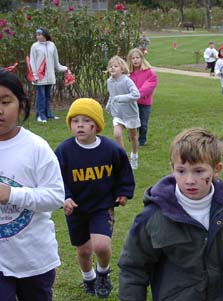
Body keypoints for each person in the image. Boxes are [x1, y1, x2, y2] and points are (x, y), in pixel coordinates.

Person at [118, 127, 223, 301]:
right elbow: (133, 268)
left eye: (198, 171)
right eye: (181, 171)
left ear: (216, 169)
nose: (189, 180)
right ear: (172, 169)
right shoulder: (154, 216)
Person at [55, 98, 135, 298]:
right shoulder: (64, 152)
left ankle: (102, 273)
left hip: (102, 206)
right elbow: (56, 179)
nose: (79, 125)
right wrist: (65, 197)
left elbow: (123, 172)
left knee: (100, 245)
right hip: (77, 210)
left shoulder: (111, 149)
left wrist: (123, 192)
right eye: (75, 121)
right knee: (83, 251)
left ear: (96, 125)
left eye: (85, 120)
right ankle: (88, 277)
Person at [0, 69, 65, 301]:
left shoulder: (36, 148)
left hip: (33, 259)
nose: (0, 110)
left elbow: (56, 197)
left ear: (22, 105)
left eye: (6, 102)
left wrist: (12, 195)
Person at [105, 55, 141, 169]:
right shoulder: (109, 82)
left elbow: (136, 95)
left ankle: (134, 156)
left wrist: (120, 98)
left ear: (122, 69)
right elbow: (112, 95)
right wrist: (109, 105)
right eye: (111, 66)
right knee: (117, 135)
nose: (112, 68)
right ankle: (124, 159)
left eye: (116, 66)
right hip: (118, 114)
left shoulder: (127, 80)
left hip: (130, 113)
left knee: (133, 136)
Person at [29, 28, 68, 123]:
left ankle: (48, 114)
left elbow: (56, 62)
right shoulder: (35, 46)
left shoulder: (52, 45)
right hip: (39, 77)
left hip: (50, 76)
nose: (38, 36)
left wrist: (64, 68)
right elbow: (32, 61)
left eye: (39, 34)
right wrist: (34, 75)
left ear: (45, 35)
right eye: (37, 35)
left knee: (47, 96)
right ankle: (40, 115)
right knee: (41, 96)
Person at [127, 48, 158, 146]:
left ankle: (142, 140)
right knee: (132, 122)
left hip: (145, 103)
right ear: (130, 60)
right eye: (133, 58)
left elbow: (149, 86)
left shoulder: (149, 72)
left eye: (137, 57)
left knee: (143, 123)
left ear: (142, 58)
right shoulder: (128, 74)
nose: (135, 60)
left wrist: (136, 94)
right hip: (132, 102)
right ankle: (132, 138)